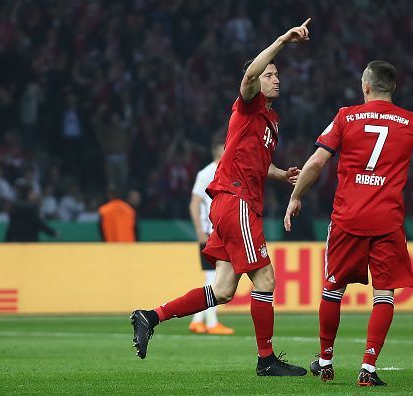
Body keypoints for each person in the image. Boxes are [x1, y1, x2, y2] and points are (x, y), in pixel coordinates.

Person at [131, 19, 310, 377]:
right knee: (266, 282)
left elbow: (257, 163)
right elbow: (248, 77)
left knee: (225, 290)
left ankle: (150, 317)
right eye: (270, 73)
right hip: (237, 201)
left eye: (277, 74)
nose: (277, 78)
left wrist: (280, 174)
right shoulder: (247, 106)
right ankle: (266, 360)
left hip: (237, 203)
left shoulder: (269, 121)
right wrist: (282, 40)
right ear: (257, 80)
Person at [284, 60, 413, 386]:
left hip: (348, 217)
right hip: (387, 221)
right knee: (384, 293)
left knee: (333, 288)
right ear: (393, 88)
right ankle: (369, 368)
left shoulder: (346, 117)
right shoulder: (412, 122)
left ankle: (326, 362)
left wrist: (295, 197)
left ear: (366, 86)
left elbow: (317, 162)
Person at [188, 134, 234, 335]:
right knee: (214, 278)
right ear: (220, 151)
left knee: (212, 276)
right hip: (209, 232)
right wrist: (199, 231)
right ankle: (212, 322)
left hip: (217, 231)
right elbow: (194, 203)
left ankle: (197, 320)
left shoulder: (223, 171)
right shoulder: (207, 173)